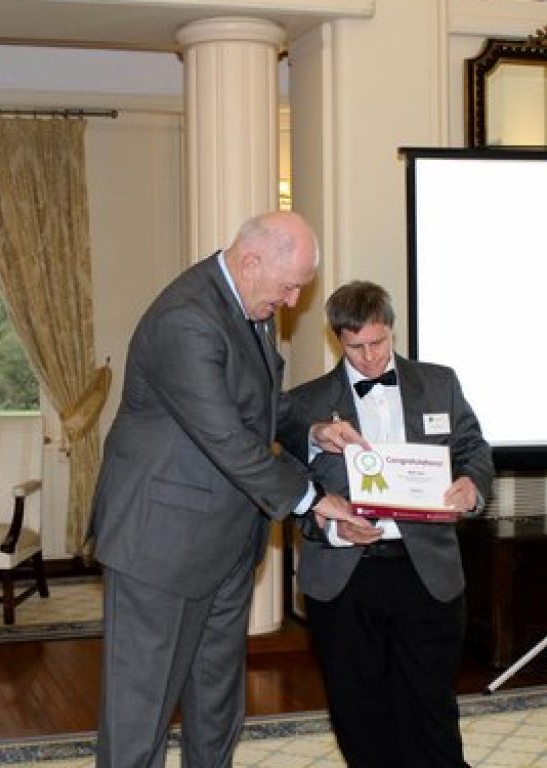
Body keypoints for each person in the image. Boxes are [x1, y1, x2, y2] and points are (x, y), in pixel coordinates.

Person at [87, 211, 372, 768]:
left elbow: (262, 407)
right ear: (250, 261)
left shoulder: (251, 305)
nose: (293, 301)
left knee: (216, 703)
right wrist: (314, 500)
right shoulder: (185, 320)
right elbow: (227, 439)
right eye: (290, 286)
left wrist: (311, 431)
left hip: (225, 542)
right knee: (139, 713)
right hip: (159, 546)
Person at [276, 280, 493, 768]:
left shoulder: (439, 382)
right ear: (338, 339)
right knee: (359, 711)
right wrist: (331, 525)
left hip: (426, 570)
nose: (371, 357)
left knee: (431, 707)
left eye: (379, 342)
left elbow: (474, 450)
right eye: (356, 347)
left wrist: (471, 486)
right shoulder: (303, 404)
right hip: (345, 574)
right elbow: (286, 484)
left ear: (392, 330)